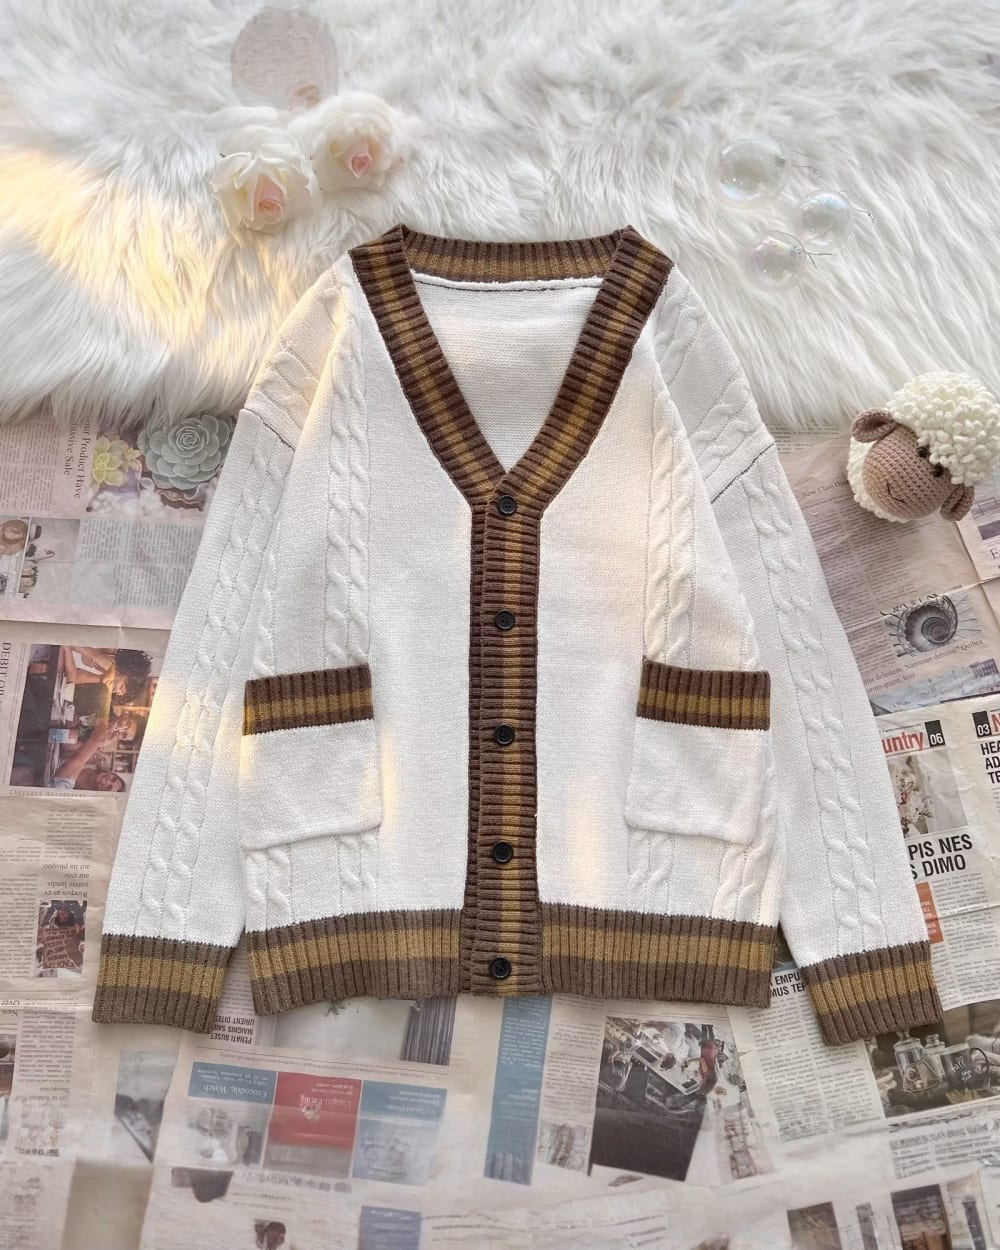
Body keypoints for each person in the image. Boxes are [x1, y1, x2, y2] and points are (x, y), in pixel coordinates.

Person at [51, 720, 126, 792]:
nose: (108, 781)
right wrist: (96, 750)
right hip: (48, 747)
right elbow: (64, 742)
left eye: (109, 788)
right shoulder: (94, 761)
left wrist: (96, 743)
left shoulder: (79, 794)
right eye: (113, 779)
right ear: (112, 773)